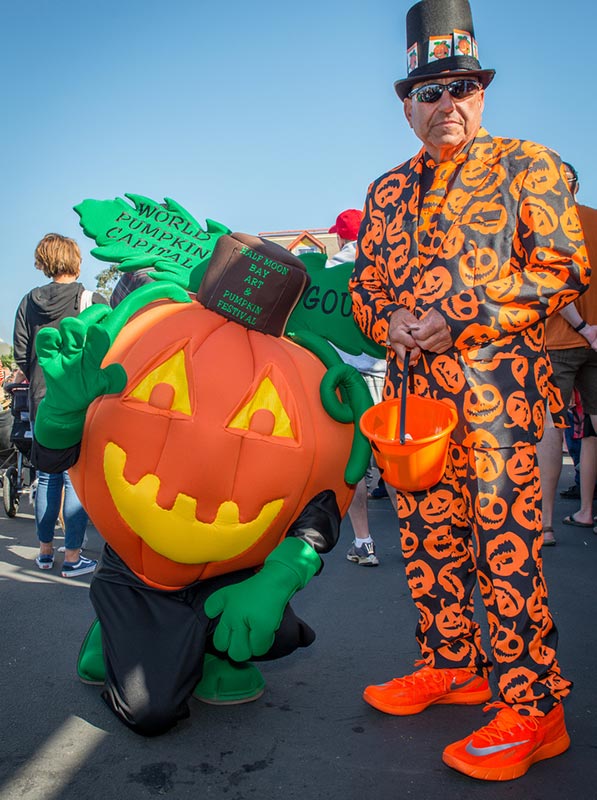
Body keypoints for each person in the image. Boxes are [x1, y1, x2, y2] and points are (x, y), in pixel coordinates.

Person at [349, 0, 588, 782]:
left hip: (499, 401)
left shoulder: (532, 164)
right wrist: (389, 322)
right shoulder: (385, 192)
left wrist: (456, 315)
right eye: (429, 92)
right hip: (414, 407)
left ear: (480, 94)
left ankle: (533, 707)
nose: (445, 105)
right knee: (426, 540)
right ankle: (454, 664)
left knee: (505, 551)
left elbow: (561, 269)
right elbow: (364, 288)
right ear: (406, 103)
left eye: (460, 88)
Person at [13, 233, 107, 577]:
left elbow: (23, 351)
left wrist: (41, 378)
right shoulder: (91, 299)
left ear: (44, 261)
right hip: (81, 403)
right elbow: (107, 346)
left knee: (47, 476)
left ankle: (44, 551)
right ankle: (72, 557)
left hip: (42, 400)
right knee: (75, 480)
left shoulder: (27, 302)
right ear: (75, 260)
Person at [324, 209, 397, 566]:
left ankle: (364, 542)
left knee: (353, 464)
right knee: (394, 462)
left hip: (347, 379)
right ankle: (417, 540)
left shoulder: (329, 272)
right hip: (386, 374)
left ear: (339, 237)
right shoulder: (384, 263)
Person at [536, 163, 597, 544]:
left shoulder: (552, 228)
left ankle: (544, 523)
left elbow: (554, 285)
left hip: (561, 338)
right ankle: (588, 509)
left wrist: (581, 327)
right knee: (592, 430)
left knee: (551, 428)